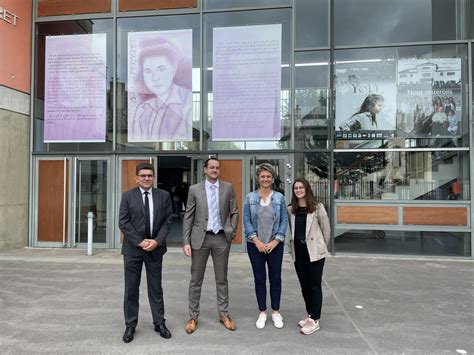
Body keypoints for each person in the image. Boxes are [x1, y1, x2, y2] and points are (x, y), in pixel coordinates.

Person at [182, 157, 239, 334]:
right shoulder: (194, 189)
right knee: (196, 280)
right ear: (205, 170)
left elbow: (235, 211)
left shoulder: (227, 187)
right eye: (211, 167)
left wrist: (232, 230)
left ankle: (224, 314)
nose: (214, 170)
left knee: (222, 279)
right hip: (200, 239)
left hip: (221, 239)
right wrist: (186, 241)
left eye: (217, 167)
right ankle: (193, 317)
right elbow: (189, 216)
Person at [119, 162, 173, 343]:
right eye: (143, 175)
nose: (146, 178)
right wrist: (141, 242)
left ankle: (159, 323)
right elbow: (124, 222)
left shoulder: (163, 196)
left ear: (153, 177)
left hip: (155, 250)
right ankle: (130, 325)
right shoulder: (127, 196)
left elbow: (168, 220)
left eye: (149, 175)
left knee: (156, 288)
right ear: (136, 178)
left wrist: (157, 241)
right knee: (131, 289)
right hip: (133, 250)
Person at [243, 163, 288, 329]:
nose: (265, 179)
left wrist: (276, 241)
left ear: (272, 178)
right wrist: (257, 241)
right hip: (255, 246)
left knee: (275, 278)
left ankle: (276, 311)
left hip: (275, 245)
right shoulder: (250, 198)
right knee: (259, 279)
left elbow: (284, 220)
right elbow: (246, 220)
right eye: (263, 176)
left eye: (268, 176)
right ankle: (262, 311)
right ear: (258, 178)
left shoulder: (279, 198)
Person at [288, 178, 330, 335]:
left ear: (307, 189)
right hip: (299, 252)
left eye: (301, 187)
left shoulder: (317, 207)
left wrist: (320, 248)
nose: (298, 190)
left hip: (314, 252)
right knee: (304, 285)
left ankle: (315, 319)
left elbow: (326, 231)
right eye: (295, 188)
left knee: (315, 285)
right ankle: (310, 314)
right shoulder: (291, 209)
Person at [130, 39, 192, 142]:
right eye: (148, 71)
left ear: (174, 69)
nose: (155, 78)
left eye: (161, 69)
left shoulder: (189, 104)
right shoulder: (142, 110)